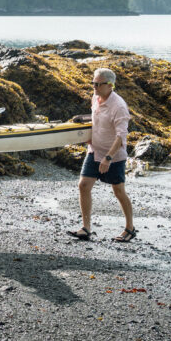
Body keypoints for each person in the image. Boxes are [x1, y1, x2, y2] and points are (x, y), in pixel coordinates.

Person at [67, 68, 136, 242]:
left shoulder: (119, 106)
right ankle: (86, 228)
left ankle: (130, 228)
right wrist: (82, 125)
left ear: (110, 85)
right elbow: (97, 120)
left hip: (114, 155)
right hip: (94, 151)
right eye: (93, 83)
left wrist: (108, 158)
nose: (94, 87)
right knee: (83, 185)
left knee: (119, 191)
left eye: (98, 84)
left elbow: (121, 136)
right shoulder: (95, 99)